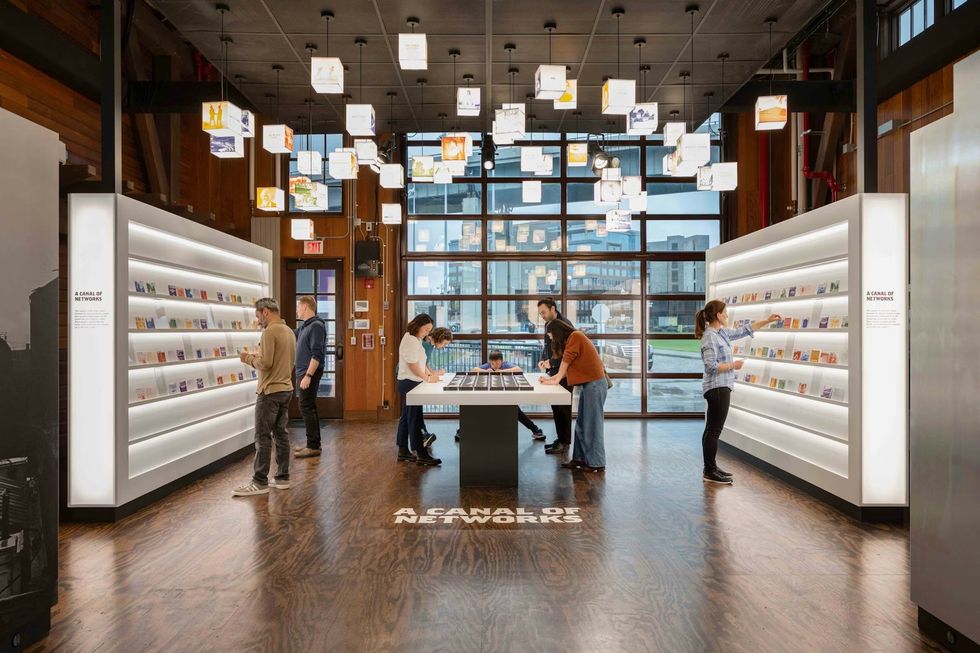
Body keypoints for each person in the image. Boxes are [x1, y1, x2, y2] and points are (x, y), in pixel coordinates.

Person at [696, 300, 781, 485]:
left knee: (711, 429)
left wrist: (766, 321)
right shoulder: (710, 336)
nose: (727, 315)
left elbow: (744, 330)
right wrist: (733, 366)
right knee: (714, 431)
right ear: (718, 315)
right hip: (717, 387)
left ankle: (710, 468)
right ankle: (710, 471)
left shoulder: (721, 333)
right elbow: (711, 366)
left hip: (722, 386)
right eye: (725, 312)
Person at [233, 298, 298, 496]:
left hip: (269, 391)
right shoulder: (289, 331)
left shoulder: (269, 332)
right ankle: (282, 477)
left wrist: (248, 359)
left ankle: (259, 481)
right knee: (281, 434)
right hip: (286, 388)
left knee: (262, 436)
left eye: (258, 315)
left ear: (266, 311)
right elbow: (287, 361)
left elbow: (266, 362)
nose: (258, 320)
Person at [540, 320, 608, 472]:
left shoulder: (575, 336)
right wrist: (552, 378)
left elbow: (566, 360)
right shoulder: (573, 339)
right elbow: (567, 364)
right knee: (582, 424)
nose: (551, 340)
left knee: (591, 425)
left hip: (595, 385)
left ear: (557, 333)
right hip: (589, 385)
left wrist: (556, 378)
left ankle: (596, 463)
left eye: (551, 337)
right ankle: (580, 459)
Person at [396, 314, 442, 466]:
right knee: (413, 418)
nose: (427, 333)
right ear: (418, 325)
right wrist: (427, 378)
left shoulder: (414, 339)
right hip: (409, 382)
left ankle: (403, 450)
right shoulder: (410, 340)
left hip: (411, 381)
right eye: (426, 329)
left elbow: (420, 362)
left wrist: (429, 374)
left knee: (407, 416)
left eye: (429, 330)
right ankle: (420, 453)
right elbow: (412, 364)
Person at [470, 351, 545, 441]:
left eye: (497, 363)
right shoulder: (489, 366)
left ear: (502, 361)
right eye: (492, 363)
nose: (495, 365)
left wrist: (501, 371)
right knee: (477, 410)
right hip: (490, 395)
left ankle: (535, 430)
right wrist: (485, 371)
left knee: (516, 410)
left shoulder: (505, 365)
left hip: (506, 395)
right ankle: (461, 431)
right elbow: (474, 369)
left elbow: (519, 369)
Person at [536, 298, 574, 454]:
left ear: (553, 309)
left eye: (544, 312)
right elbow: (548, 346)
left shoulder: (564, 324)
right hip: (553, 371)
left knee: (564, 409)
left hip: (564, 373)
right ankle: (560, 439)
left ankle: (565, 443)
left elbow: (567, 352)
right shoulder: (548, 324)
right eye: (540, 313)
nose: (542, 316)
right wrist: (543, 360)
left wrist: (551, 362)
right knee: (556, 408)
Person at [293, 296, 326, 459]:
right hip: (303, 372)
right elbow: (289, 334)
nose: (297, 309)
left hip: (309, 372)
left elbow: (317, 354)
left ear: (305, 307)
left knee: (306, 407)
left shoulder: (316, 326)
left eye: (298, 306)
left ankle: (313, 446)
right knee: (308, 407)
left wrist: (308, 375)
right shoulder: (304, 326)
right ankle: (313, 444)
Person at [419, 327, 453, 448]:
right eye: (444, 343)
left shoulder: (430, 345)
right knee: (413, 411)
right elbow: (419, 364)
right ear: (440, 338)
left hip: (415, 375)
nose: (444, 346)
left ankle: (423, 435)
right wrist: (431, 375)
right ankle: (421, 437)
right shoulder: (425, 344)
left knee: (414, 411)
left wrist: (433, 373)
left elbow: (425, 363)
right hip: (409, 376)